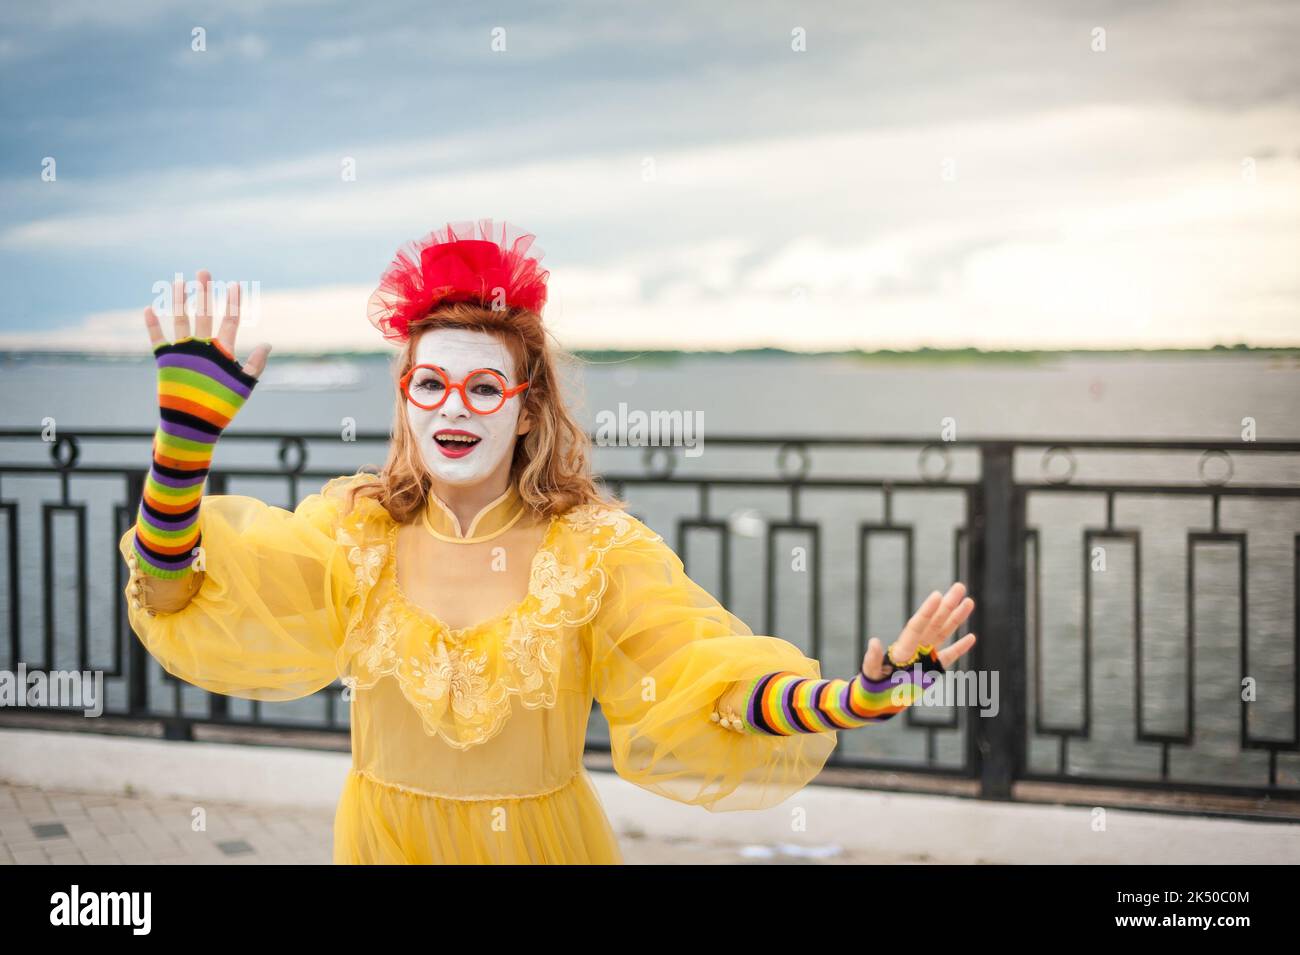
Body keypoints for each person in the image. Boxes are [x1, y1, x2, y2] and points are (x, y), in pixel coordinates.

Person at [119, 218, 977, 864]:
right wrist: (182, 447)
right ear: (406, 398)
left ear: (527, 408)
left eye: (484, 387)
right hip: (383, 846)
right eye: (432, 383)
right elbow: (177, 598)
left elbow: (712, 688)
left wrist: (860, 697)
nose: (454, 406)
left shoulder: (593, 552)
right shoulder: (356, 532)